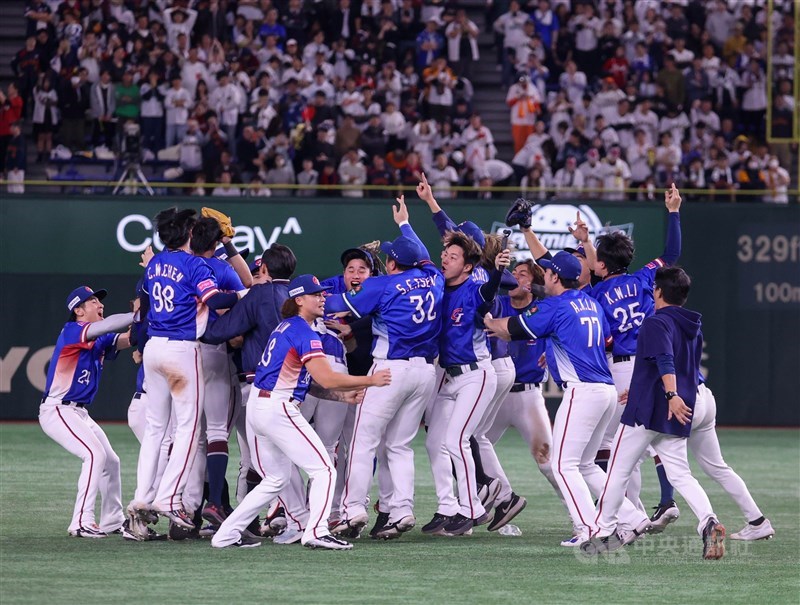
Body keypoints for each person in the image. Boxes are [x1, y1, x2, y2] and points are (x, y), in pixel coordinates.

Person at [211, 274, 392, 549]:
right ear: (298, 300)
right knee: (324, 470)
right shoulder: (303, 332)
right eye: (315, 294)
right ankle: (316, 532)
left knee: (275, 479)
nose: (322, 298)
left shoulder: (287, 327)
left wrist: (340, 396)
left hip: (261, 407)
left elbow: (308, 385)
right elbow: (328, 377)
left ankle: (225, 534)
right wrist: (370, 380)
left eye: (322, 294)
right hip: (277, 408)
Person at [484, 251, 646, 543]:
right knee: (585, 464)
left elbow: (511, 329)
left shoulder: (556, 305)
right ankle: (632, 516)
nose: (544, 275)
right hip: (605, 390)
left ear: (555, 276)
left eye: (547, 272)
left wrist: (486, 319)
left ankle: (591, 528)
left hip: (583, 390)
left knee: (562, 465)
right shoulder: (590, 302)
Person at [582, 267, 727, 561]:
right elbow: (677, 366)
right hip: (674, 411)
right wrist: (651, 392)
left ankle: (605, 532)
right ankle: (708, 521)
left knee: (617, 471)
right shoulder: (692, 324)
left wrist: (670, 395)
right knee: (682, 475)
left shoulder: (655, 322)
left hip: (649, 411)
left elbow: (664, 360)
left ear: (657, 292)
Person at [328, 196, 443, 540]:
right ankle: (403, 509)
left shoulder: (382, 285)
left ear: (392, 264)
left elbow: (335, 304)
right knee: (399, 445)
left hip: (389, 370)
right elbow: (420, 254)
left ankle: (353, 509)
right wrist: (405, 224)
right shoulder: (433, 277)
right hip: (425, 373)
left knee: (363, 442)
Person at [126, 208, 239, 540]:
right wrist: (246, 294)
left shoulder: (157, 263)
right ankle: (168, 499)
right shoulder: (194, 264)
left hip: (154, 350)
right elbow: (214, 298)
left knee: (157, 430)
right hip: (180, 350)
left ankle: (142, 496)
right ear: (190, 233)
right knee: (188, 428)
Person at [39, 286, 133, 537]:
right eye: (92, 301)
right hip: (58, 409)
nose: (100, 305)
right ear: (78, 311)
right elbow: (113, 324)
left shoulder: (98, 336)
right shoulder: (72, 331)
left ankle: (113, 519)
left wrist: (152, 315)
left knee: (111, 461)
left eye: (99, 301)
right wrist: (137, 313)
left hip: (79, 413)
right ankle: (81, 521)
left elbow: (127, 339)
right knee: (94, 454)